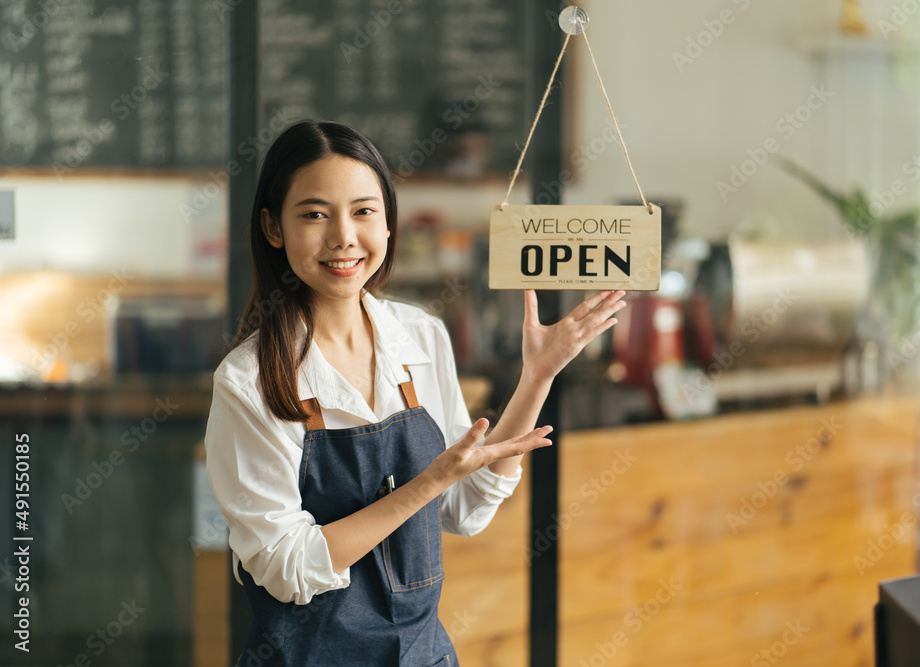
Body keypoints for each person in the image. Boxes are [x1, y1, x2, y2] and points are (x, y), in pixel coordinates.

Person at [204, 120, 626, 666]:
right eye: (314, 214)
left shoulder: (421, 337)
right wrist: (426, 484)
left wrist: (538, 375)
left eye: (363, 211)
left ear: (387, 222)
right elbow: (286, 569)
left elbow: (465, 508)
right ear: (273, 227)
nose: (343, 237)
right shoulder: (248, 382)